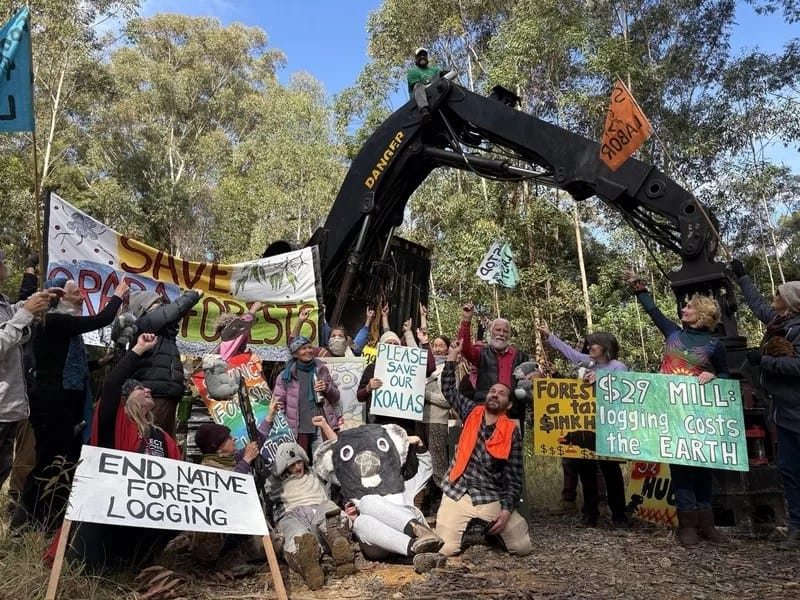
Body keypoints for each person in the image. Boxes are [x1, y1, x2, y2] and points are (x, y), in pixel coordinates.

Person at [12, 277, 129, 531]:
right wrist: (117, 295)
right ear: (61, 298)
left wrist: (99, 363)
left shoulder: (64, 330)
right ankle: (22, 524)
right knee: (47, 463)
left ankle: (50, 519)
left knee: (63, 463)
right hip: (52, 406)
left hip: (66, 405)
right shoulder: (54, 321)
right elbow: (102, 320)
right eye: (76, 293)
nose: (82, 297)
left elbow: (62, 365)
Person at [623, 268, 729, 547]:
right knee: (680, 465)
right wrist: (638, 285)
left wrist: (715, 376)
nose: (684, 309)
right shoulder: (672, 333)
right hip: (671, 412)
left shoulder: (715, 345)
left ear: (703, 314)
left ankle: (708, 524)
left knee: (704, 467)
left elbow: (728, 376)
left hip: (701, 416)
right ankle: (688, 525)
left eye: (690, 307)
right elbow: (653, 311)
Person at [67, 333, 183, 571]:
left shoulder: (162, 437)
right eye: (139, 388)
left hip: (147, 515)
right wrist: (138, 349)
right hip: (109, 518)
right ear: (126, 400)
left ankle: (138, 562)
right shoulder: (115, 425)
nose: (147, 389)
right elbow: (111, 386)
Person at [434, 339, 532, 557]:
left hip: (490, 495)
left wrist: (506, 511)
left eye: (501, 393)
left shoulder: (511, 431)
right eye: (492, 391)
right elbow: (449, 389)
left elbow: (514, 479)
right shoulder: (471, 411)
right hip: (459, 492)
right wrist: (452, 357)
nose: (495, 394)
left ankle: (489, 532)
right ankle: (465, 528)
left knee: (522, 547)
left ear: (508, 405)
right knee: (446, 549)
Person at [729, 259, 800, 550]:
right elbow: (756, 303)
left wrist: (765, 361)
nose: (773, 298)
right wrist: (742, 277)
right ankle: (797, 527)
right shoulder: (778, 323)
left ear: (790, 301)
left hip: (797, 410)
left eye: (778, 294)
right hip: (783, 412)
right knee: (789, 470)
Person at [313, 419, 445, 573]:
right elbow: (340, 453)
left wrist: (420, 444)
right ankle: (419, 550)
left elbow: (426, 470)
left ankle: (418, 530)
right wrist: (351, 518)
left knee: (368, 502)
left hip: (406, 523)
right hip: (381, 541)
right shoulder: (354, 492)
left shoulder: (402, 485)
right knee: (361, 522)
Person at [538, 323, 630, 527]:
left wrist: (602, 379)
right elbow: (569, 353)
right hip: (585, 425)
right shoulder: (587, 363)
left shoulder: (618, 366)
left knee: (611, 472)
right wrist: (549, 336)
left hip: (607, 426)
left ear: (605, 346)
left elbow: (625, 388)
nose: (589, 348)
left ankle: (619, 516)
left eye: (593, 344)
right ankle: (590, 514)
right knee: (586, 470)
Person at [270, 424, 354, 590]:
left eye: (299, 462)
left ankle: (338, 545)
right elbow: (269, 504)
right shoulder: (274, 483)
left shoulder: (316, 472)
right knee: (296, 535)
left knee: (329, 512)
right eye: (292, 465)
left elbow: (336, 457)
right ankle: (306, 563)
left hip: (320, 510)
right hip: (293, 516)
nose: (297, 467)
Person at [0, 249, 52, 492]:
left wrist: (44, 297)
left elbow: (14, 318)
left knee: (3, 468)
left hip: (9, 408)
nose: (5, 265)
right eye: (2, 261)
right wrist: (26, 312)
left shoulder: (2, 302)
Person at [128, 287, 203, 435]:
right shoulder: (145, 322)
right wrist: (193, 295)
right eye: (157, 302)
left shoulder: (162, 332)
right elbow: (172, 311)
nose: (162, 304)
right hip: (155, 394)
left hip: (165, 394)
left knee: (164, 440)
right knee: (154, 439)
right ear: (145, 307)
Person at [189, 423, 263, 564]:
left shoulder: (230, 459)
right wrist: (246, 461)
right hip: (220, 535)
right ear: (218, 447)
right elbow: (229, 487)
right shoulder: (207, 469)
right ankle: (226, 560)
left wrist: (269, 417)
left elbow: (256, 444)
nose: (234, 438)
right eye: (228, 437)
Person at [458, 303, 530, 424]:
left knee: (511, 443)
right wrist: (466, 320)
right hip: (486, 412)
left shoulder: (521, 357)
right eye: (498, 330)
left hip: (512, 414)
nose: (501, 334)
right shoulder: (481, 353)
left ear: (509, 335)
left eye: (505, 331)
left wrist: (536, 374)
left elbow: (533, 378)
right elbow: (464, 348)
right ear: (491, 332)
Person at [271, 336, 340, 459]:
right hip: (298, 429)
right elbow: (278, 404)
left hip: (321, 425)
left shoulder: (321, 369)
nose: (308, 350)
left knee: (324, 461)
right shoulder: (285, 376)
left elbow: (336, 397)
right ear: (296, 353)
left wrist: (326, 388)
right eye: (303, 348)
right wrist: (284, 427)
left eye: (309, 347)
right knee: (301, 463)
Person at [291, 305, 374, 358]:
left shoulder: (352, 354)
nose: (337, 338)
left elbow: (361, 338)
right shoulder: (321, 353)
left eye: (340, 336)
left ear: (346, 341)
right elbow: (294, 345)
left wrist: (368, 320)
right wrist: (300, 321)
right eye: (333, 336)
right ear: (328, 341)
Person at [407, 47, 439, 121]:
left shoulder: (434, 70)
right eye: (420, 55)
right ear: (416, 58)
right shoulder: (413, 72)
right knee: (418, 85)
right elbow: (417, 88)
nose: (422, 57)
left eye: (424, 55)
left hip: (434, 96)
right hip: (418, 102)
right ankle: (424, 110)